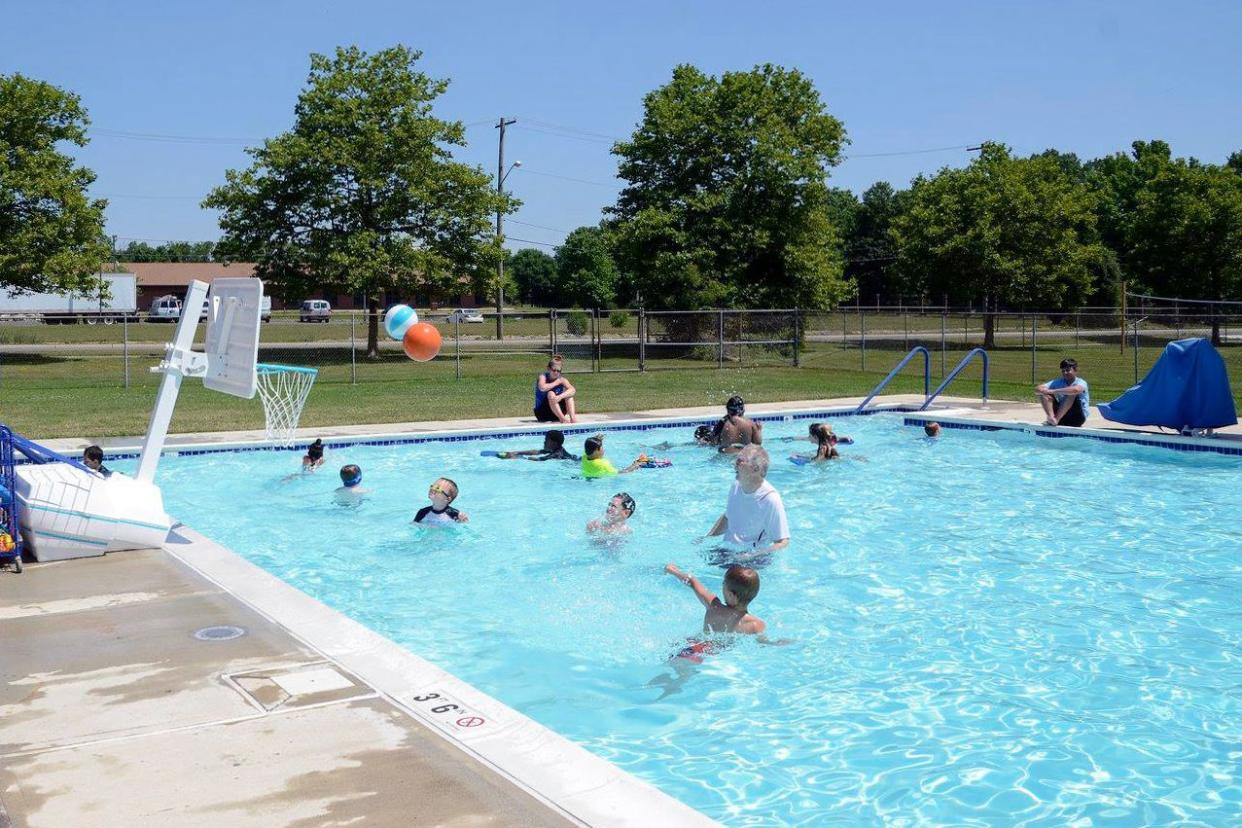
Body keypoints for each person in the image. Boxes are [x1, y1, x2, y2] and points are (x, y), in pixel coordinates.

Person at [705, 445, 789, 562]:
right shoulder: (736, 486)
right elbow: (728, 517)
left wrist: (751, 556)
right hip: (727, 551)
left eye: (740, 461)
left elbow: (782, 542)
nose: (734, 464)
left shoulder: (770, 499)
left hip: (753, 560)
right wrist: (707, 537)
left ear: (755, 468)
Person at [1036, 358, 1090, 427]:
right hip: (1062, 416)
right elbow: (1038, 389)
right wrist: (1043, 390)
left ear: (1075, 370)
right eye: (1063, 371)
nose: (1065, 373)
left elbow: (1076, 390)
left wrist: (1053, 391)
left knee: (1072, 394)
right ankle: (1052, 419)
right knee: (1044, 394)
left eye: (1068, 370)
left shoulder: (1081, 382)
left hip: (1077, 418)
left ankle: (1056, 420)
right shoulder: (1059, 381)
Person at [534, 356, 578, 423]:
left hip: (556, 411)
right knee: (551, 393)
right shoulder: (543, 377)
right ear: (548, 369)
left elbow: (573, 390)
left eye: (559, 371)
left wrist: (560, 397)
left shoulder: (562, 379)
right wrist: (556, 382)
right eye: (554, 370)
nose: (556, 373)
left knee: (569, 394)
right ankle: (562, 419)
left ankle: (573, 418)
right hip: (543, 413)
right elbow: (542, 388)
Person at [501, 429, 578, 461]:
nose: (544, 442)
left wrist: (518, 457)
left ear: (554, 443)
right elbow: (536, 452)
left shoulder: (557, 454)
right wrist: (517, 452)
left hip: (574, 463)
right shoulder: (555, 448)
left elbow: (540, 459)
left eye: (546, 440)